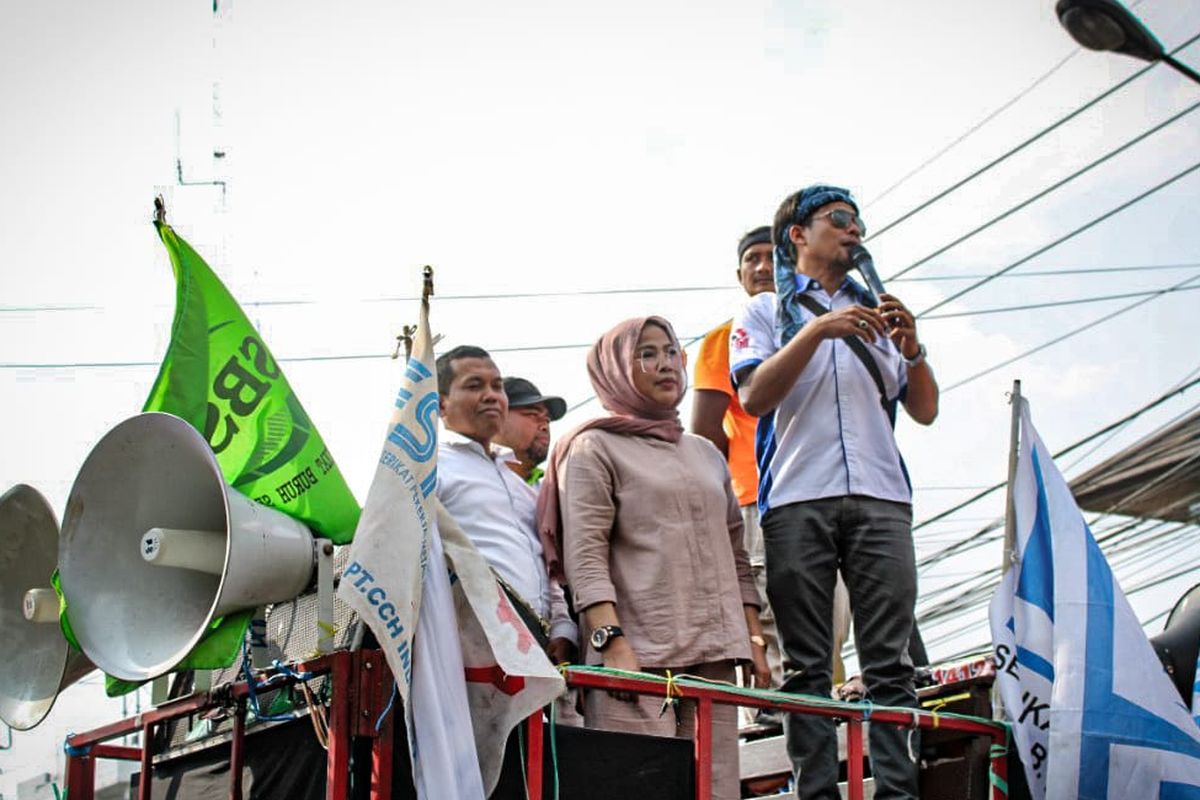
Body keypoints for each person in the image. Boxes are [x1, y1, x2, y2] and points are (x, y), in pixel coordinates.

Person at [731, 185, 938, 800]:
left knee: (891, 664)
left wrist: (914, 349)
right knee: (808, 666)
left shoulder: (879, 309)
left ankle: (899, 793)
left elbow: (923, 409)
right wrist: (817, 332)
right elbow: (754, 397)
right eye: (840, 221)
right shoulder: (765, 313)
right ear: (797, 234)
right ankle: (816, 792)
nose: (855, 232)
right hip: (798, 498)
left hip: (881, 496)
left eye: (858, 223)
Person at [537, 316, 769, 800]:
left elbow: (736, 554)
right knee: (640, 786)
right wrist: (610, 642)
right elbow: (585, 555)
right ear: (615, 369)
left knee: (716, 788)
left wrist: (753, 637)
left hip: (716, 655)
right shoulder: (592, 446)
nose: (666, 364)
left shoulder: (705, 453)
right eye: (647, 353)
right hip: (636, 657)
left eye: (671, 352)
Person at [435, 345, 577, 666]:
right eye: (474, 386)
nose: (491, 395)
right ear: (441, 405)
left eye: (497, 386)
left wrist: (563, 627)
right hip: (468, 651)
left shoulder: (523, 488)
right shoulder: (431, 469)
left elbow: (544, 563)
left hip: (537, 652)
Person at [690, 225, 784, 708]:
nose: (764, 267)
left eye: (774, 257)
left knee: (832, 619)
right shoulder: (723, 341)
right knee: (773, 618)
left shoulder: (816, 327)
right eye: (753, 258)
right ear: (740, 273)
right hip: (757, 499)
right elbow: (705, 434)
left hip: (824, 494)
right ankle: (779, 721)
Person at [494, 376, 567, 486]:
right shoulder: (467, 475)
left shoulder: (548, 491)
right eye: (532, 415)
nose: (545, 427)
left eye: (547, 420)